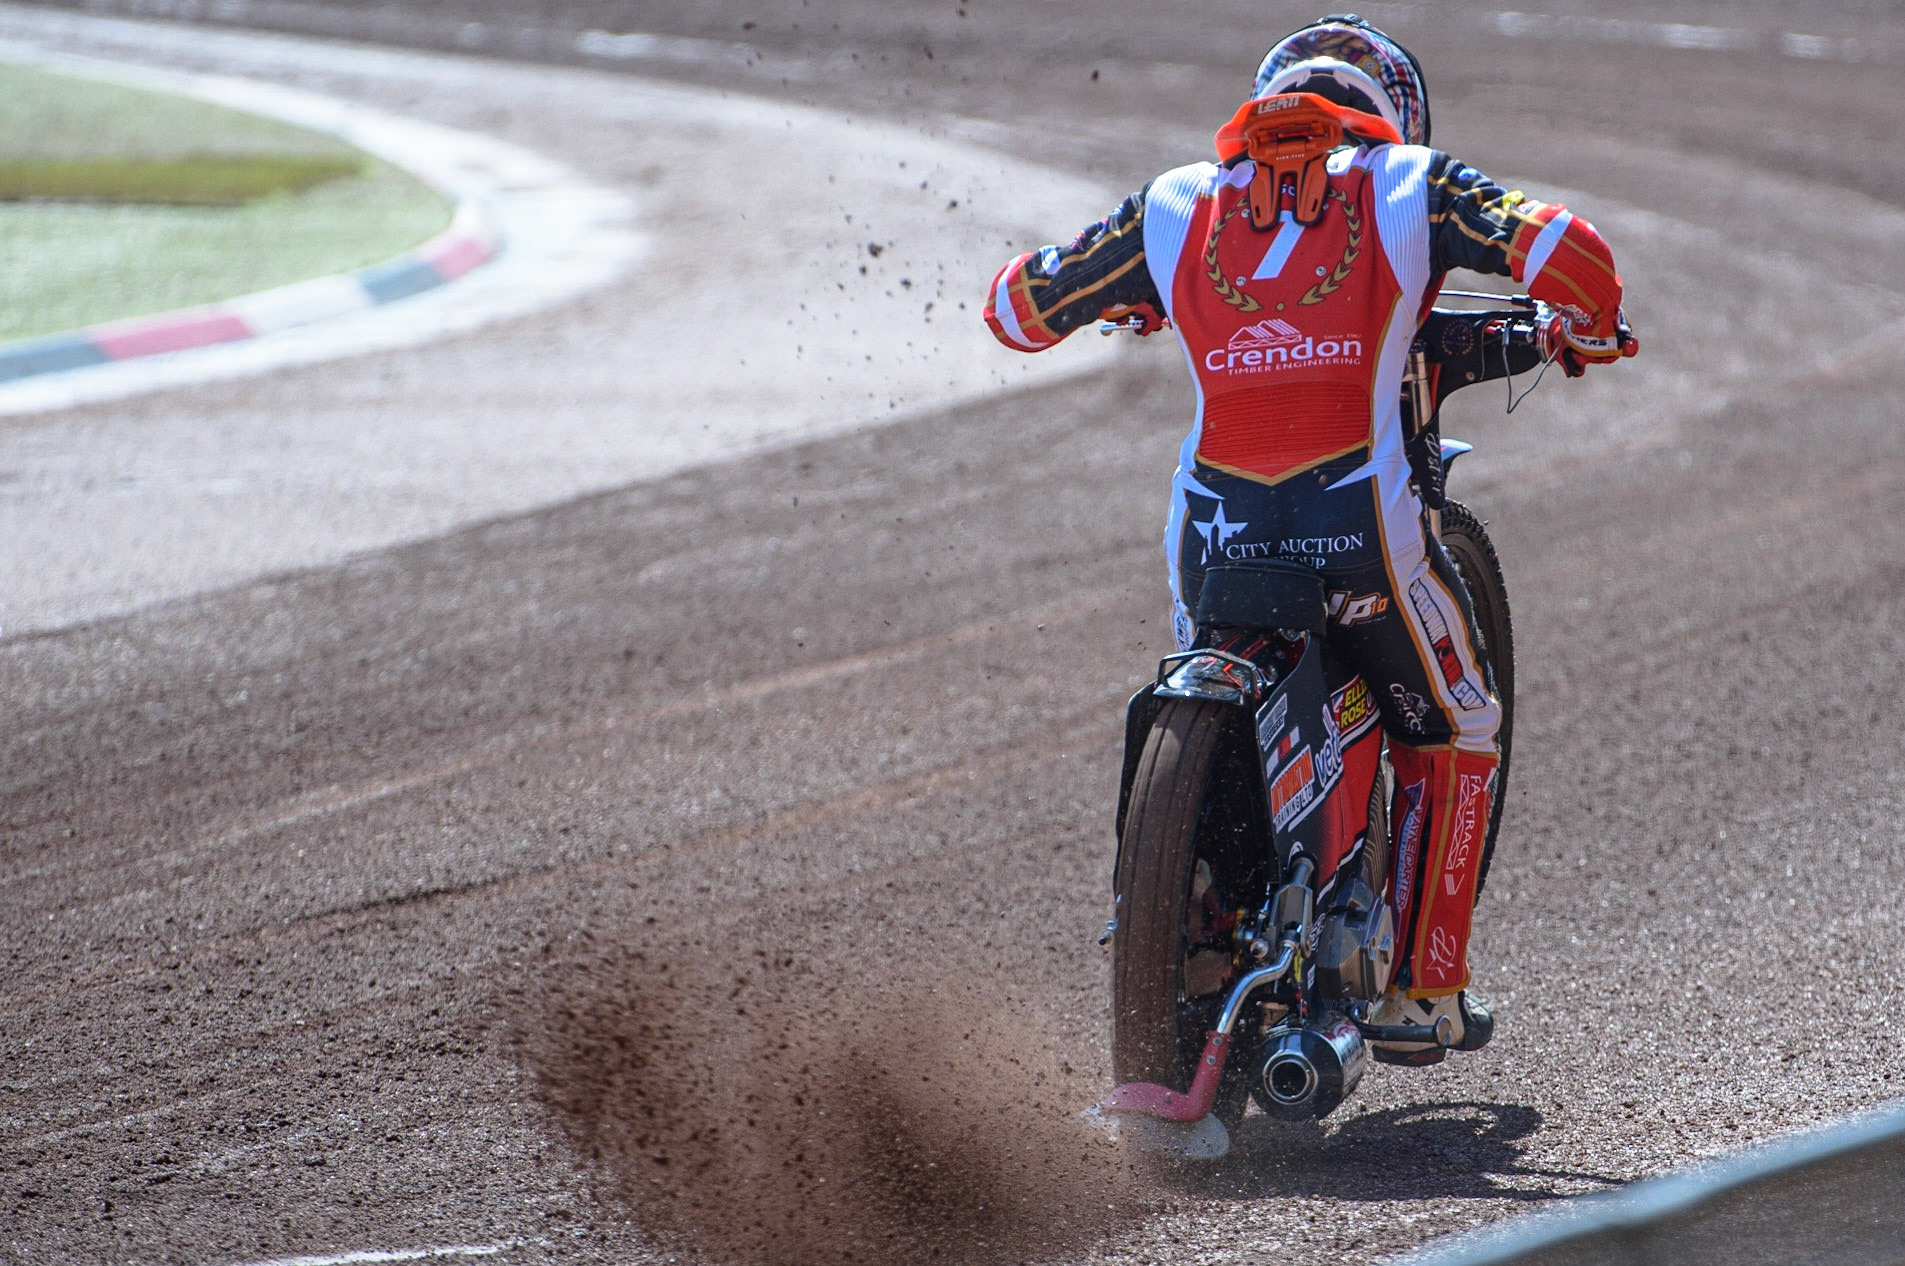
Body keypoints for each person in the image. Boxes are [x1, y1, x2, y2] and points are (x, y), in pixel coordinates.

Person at [984, 14, 1635, 1062]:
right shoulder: (1411, 184)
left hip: (1213, 542)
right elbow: (1573, 253)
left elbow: (1016, 309)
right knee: (1461, 718)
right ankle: (1422, 995)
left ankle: (1191, 906)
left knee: (1205, 657)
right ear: (1391, 120)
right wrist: (1596, 320)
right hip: (1360, 537)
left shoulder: (1174, 202)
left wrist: (1146, 296)